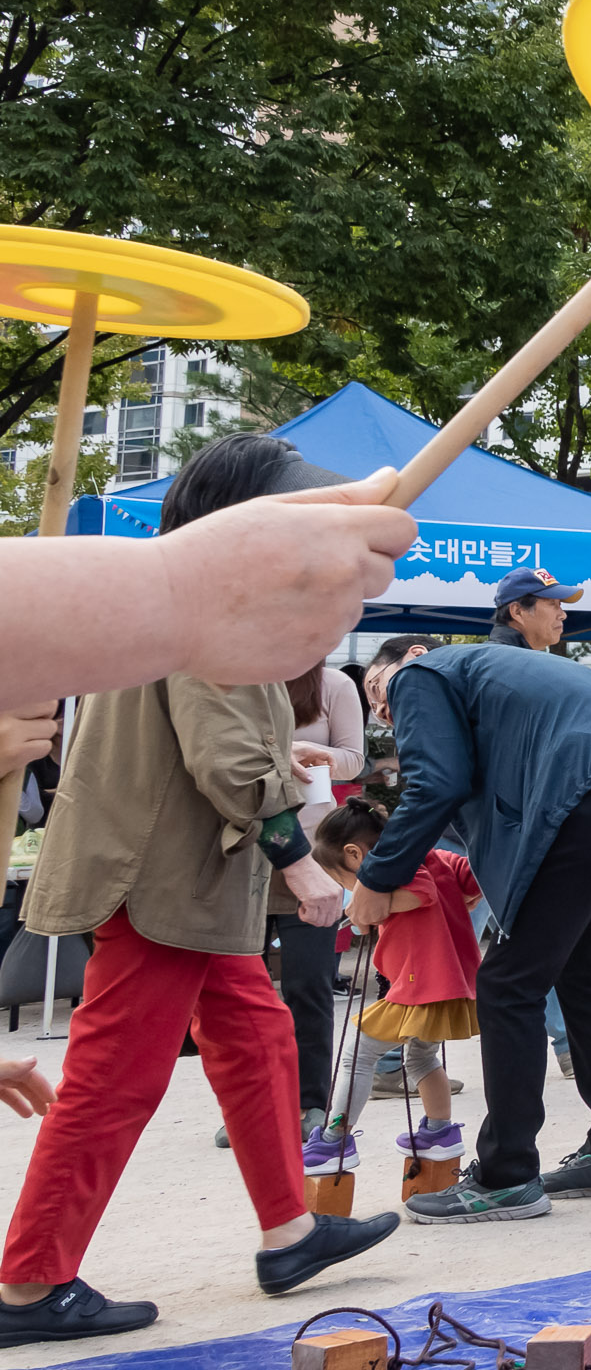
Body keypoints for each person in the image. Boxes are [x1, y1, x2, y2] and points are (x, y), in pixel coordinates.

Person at [0, 436, 400, 1345]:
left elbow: (208, 741)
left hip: (181, 876)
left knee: (257, 1040)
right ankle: (28, 1282)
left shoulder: (170, 596)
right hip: (159, 877)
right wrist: (299, 862)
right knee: (115, 1078)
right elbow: (225, 757)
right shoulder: (216, 604)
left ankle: (288, 1229)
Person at [354, 632, 591, 1223]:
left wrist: (377, 877)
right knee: (585, 975)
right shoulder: (509, 674)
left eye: (375, 690)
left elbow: (438, 783)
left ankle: (508, 1175)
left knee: (509, 983)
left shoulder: (421, 675)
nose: (383, 711)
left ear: (408, 658)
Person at [0, 470, 415, 716]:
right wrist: (186, 590)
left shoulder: (196, 647)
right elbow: (233, 769)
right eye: (283, 524)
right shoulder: (194, 655)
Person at [305, 799, 477, 1172]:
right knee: (420, 1058)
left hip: (419, 986)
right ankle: (439, 1131)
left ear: (354, 855)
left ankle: (334, 1141)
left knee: (357, 1054)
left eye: (344, 881)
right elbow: (470, 880)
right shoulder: (434, 856)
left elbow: (422, 892)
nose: (351, 890)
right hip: (449, 984)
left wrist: (370, 906)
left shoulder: (397, 864)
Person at [270, 661, 365, 1132]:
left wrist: (310, 750)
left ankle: (311, 1103)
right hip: (241, 852)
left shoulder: (334, 684)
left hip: (308, 852)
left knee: (308, 985)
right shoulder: (237, 674)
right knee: (239, 995)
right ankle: (256, 1106)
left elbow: (354, 758)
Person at [489, 564, 578, 652]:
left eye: (559, 605)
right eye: (552, 604)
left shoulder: (497, 659)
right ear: (518, 612)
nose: (563, 615)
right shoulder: (509, 663)